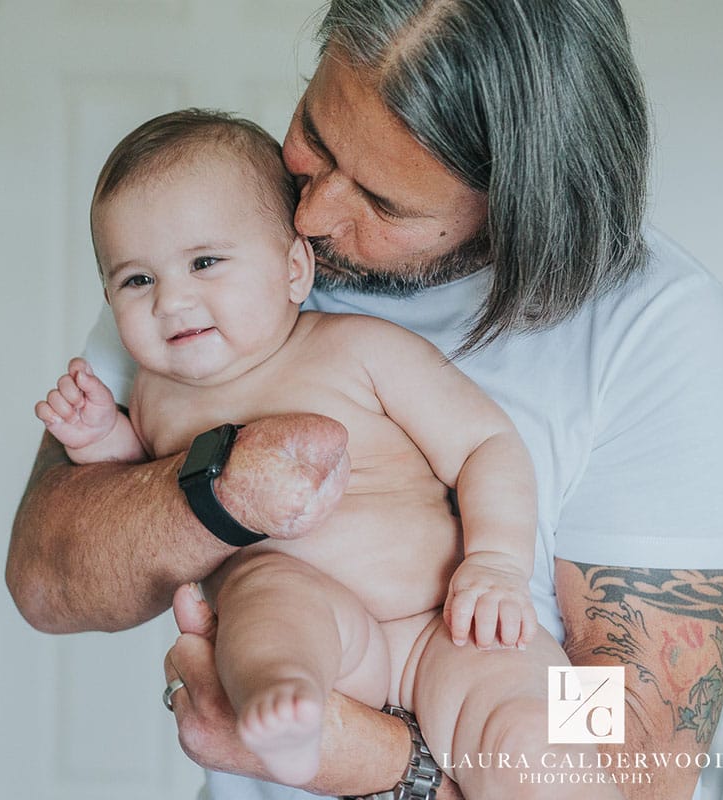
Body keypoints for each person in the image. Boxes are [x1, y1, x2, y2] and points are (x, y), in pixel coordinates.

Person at [7, 1, 723, 799]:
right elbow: (46, 578)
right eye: (314, 139)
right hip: (314, 630)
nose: (312, 218)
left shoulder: (651, 331)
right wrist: (221, 491)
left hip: (467, 652)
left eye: (384, 204)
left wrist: (389, 761)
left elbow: (638, 756)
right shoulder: (211, 257)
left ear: (517, 202)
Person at [35, 108, 627, 798]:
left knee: (533, 738)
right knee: (266, 602)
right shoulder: (154, 395)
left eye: (205, 263)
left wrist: (494, 562)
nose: (172, 299)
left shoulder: (358, 349)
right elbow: (135, 479)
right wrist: (99, 437)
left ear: (293, 268)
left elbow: (485, 444)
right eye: (135, 281)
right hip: (319, 637)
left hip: (446, 621)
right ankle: (284, 705)